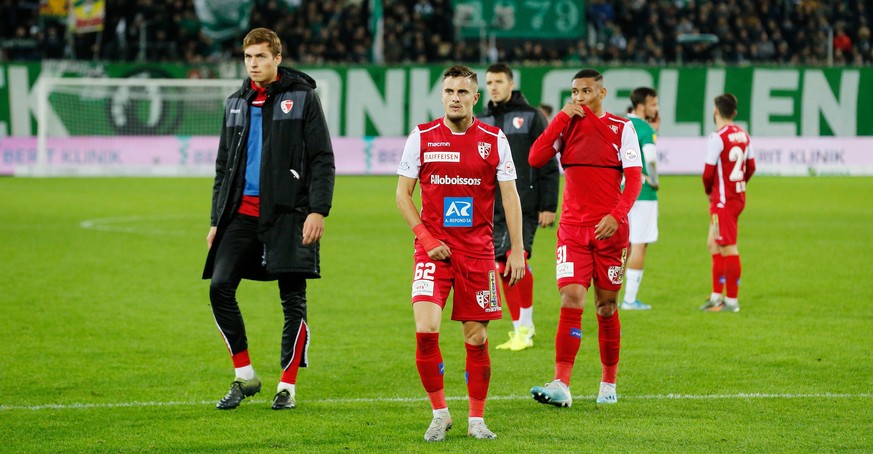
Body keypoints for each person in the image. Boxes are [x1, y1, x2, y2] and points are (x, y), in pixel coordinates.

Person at [202, 28, 336, 411]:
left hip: (289, 215)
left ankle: (288, 386)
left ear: (277, 58)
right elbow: (224, 166)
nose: (254, 64)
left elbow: (322, 158)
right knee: (219, 287)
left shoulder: (303, 98)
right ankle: (244, 376)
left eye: (261, 57)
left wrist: (317, 210)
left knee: (293, 299)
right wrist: (216, 219)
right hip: (240, 216)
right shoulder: (235, 102)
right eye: (248, 58)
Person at [396, 65, 526, 441]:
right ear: (442, 96)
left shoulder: (493, 139)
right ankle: (440, 413)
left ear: (475, 98)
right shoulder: (421, 137)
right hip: (432, 252)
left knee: (477, 339)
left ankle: (476, 419)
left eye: (462, 92)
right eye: (449, 91)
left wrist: (516, 250)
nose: (455, 97)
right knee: (426, 329)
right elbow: (403, 195)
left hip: (478, 254)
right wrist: (424, 237)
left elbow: (510, 196)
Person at [527, 69, 643, 407]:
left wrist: (616, 215)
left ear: (602, 93)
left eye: (586, 91)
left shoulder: (622, 129)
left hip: (610, 232)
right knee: (571, 299)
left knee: (606, 307)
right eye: (575, 92)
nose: (579, 98)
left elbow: (634, 181)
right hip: (572, 232)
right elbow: (536, 158)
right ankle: (561, 383)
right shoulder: (567, 125)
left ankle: (608, 382)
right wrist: (561, 117)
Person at [478, 63, 560, 352]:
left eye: (499, 81)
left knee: (515, 259)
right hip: (491, 208)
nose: (493, 87)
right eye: (489, 82)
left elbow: (549, 162)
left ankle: (524, 328)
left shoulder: (532, 117)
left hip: (524, 204)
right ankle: (521, 328)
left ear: (511, 83)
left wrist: (549, 205)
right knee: (502, 265)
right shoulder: (482, 118)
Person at [700, 93, 755, 312]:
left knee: (728, 247)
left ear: (716, 111)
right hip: (737, 197)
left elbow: (707, 172)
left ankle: (731, 301)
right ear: (734, 113)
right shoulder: (743, 135)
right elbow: (751, 167)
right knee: (713, 243)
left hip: (723, 200)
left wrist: (709, 192)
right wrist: (739, 184)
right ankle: (716, 297)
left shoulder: (718, 137)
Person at [620, 87, 661, 311]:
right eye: (653, 105)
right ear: (642, 106)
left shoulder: (620, 124)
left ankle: (613, 293)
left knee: (622, 244)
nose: (656, 109)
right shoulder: (645, 129)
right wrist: (654, 180)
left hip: (621, 192)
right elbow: (651, 158)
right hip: (643, 193)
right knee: (639, 245)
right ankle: (629, 299)